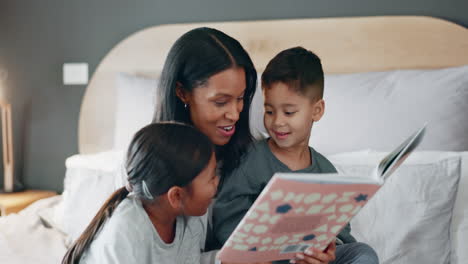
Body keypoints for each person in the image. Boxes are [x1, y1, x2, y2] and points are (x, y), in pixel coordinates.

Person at [213, 47, 379, 264]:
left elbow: (339, 231)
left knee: (363, 253)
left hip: (310, 259)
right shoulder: (250, 159)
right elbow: (226, 220)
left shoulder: (326, 170)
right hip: (261, 260)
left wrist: (326, 253)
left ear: (317, 111)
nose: (277, 121)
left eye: (289, 112)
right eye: (269, 111)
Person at [62, 122, 219, 264]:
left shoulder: (191, 217)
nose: (217, 182)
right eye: (212, 178)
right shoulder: (124, 235)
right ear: (176, 196)